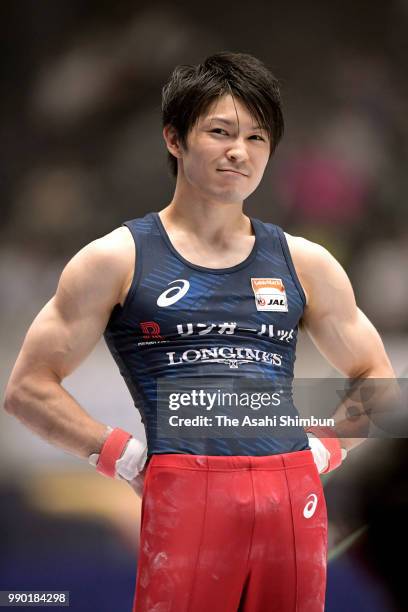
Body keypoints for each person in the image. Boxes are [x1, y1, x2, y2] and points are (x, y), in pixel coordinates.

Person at [3, 52, 396, 612]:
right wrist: (123, 456)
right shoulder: (117, 258)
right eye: (220, 131)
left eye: (259, 138)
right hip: (185, 490)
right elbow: (27, 389)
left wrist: (324, 450)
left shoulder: (305, 262)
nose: (241, 151)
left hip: (293, 494)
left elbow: (380, 384)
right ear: (174, 138)